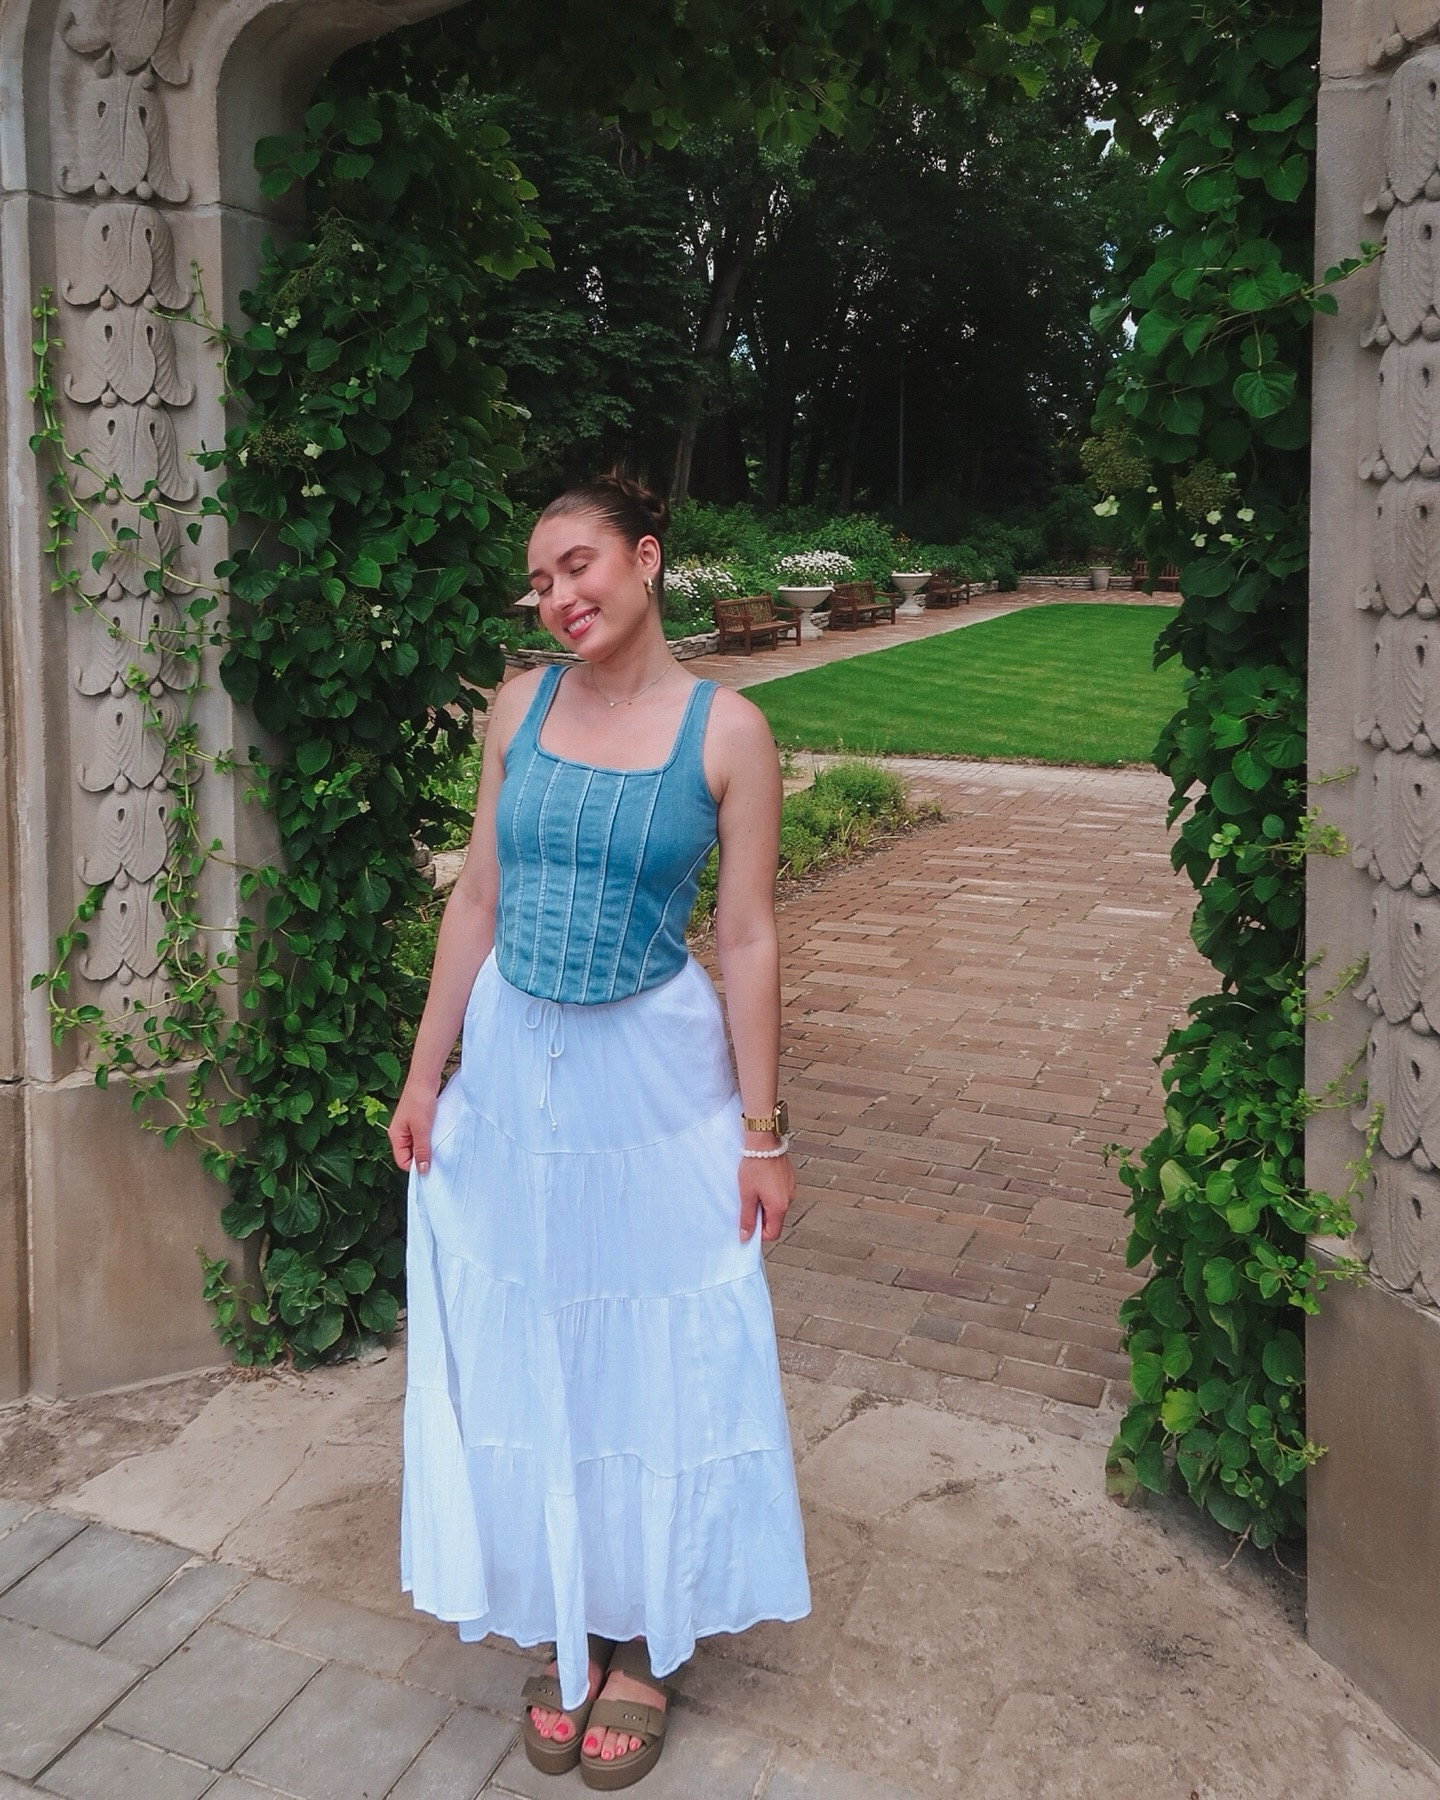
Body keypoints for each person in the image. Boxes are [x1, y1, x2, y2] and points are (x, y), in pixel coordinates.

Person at [388, 472, 811, 1790]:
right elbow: (476, 903)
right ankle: (569, 1607)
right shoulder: (518, 707)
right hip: (518, 1070)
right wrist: (425, 1077)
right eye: (542, 580)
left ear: (645, 559)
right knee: (545, 1329)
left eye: (579, 567)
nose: (559, 595)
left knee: (656, 1335)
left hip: (653, 1078)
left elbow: (744, 936)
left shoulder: (728, 732)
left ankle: (642, 1643)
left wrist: (762, 1132)